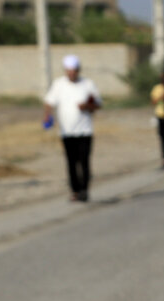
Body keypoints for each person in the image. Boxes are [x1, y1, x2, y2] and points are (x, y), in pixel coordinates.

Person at [42, 54, 101, 202]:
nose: (72, 73)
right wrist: (47, 116)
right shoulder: (58, 84)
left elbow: (97, 105)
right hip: (67, 132)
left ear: (78, 70)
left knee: (84, 161)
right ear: (65, 71)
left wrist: (87, 106)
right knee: (71, 162)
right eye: (69, 71)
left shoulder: (88, 84)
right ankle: (75, 191)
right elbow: (49, 101)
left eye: (74, 70)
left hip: (85, 131)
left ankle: (84, 190)